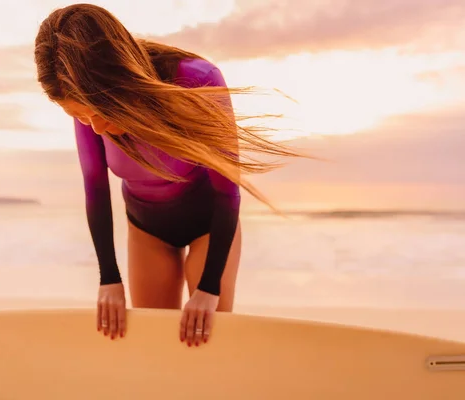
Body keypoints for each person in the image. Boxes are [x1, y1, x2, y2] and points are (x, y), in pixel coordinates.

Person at [34, 3, 303, 347]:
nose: (95, 126)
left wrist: (209, 288)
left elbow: (227, 191)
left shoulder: (195, 79)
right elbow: (96, 189)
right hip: (147, 231)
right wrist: (108, 278)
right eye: (82, 117)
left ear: (116, 81)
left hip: (210, 224)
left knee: (207, 341)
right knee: (156, 347)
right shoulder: (85, 102)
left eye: (99, 111)